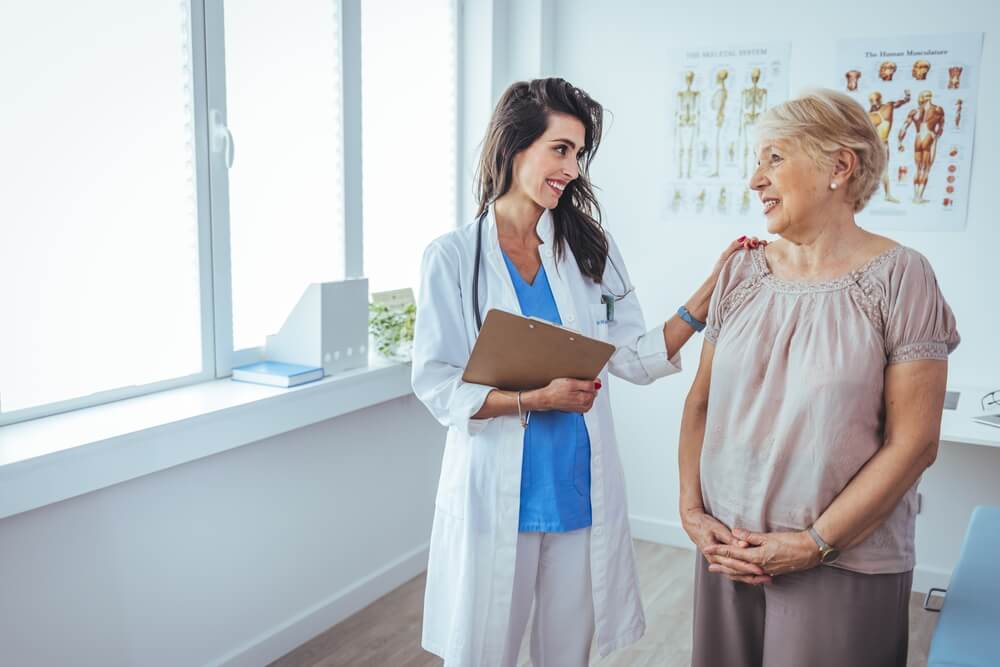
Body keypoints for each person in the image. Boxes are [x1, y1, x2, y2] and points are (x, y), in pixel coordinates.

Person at [411, 77, 759, 666]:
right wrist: (531, 399)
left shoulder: (586, 246)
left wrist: (711, 289)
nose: (572, 168)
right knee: (483, 652)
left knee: (566, 655)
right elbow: (437, 382)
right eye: (560, 149)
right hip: (497, 490)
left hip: (577, 486)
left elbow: (633, 356)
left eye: (579, 153)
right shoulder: (452, 257)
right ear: (512, 147)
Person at [679, 89, 960, 667]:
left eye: (774, 158)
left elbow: (914, 444)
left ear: (839, 165)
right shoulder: (741, 268)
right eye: (755, 162)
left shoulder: (902, 278)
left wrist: (813, 544)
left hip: (843, 560)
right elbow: (701, 404)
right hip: (726, 554)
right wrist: (691, 512)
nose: (756, 180)